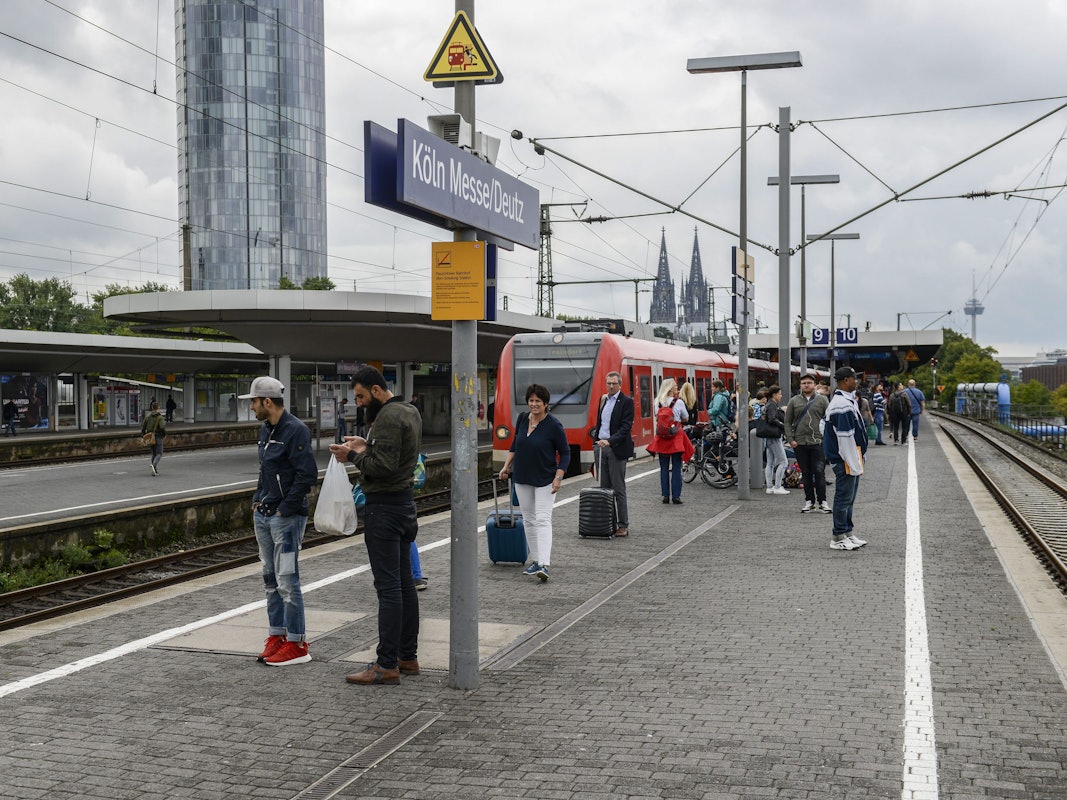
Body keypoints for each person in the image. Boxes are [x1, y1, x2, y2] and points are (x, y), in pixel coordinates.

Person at [330, 366, 422, 685]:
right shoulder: (409, 411)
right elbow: (393, 456)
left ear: (378, 391)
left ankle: (385, 665)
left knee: (388, 589)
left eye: (361, 396)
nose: (358, 402)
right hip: (405, 505)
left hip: (384, 509)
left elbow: (382, 467)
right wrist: (364, 445)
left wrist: (350, 456)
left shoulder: (386, 417)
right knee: (405, 584)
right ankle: (407, 657)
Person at [242, 376, 318, 665]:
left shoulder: (295, 431)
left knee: (287, 580)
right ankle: (278, 635)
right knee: (270, 579)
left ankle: (297, 644)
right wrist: (257, 499)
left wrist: (285, 508)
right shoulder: (266, 429)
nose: (252, 407)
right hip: (264, 513)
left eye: (254, 402)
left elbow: (306, 475)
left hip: (285, 517)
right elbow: (265, 470)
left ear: (267, 402)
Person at [497, 383, 570, 582]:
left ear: (546, 404)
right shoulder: (522, 419)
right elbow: (514, 445)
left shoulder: (554, 425)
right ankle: (536, 561)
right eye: (531, 400)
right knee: (528, 519)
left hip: (545, 479)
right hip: (522, 477)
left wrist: (558, 477)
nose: (534, 404)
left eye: (538, 401)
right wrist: (506, 466)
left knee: (543, 519)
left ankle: (544, 564)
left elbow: (565, 453)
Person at [823, 367, 869, 550]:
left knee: (849, 498)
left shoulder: (845, 401)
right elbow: (845, 437)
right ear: (845, 381)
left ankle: (847, 532)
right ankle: (838, 536)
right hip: (846, 459)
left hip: (849, 457)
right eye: (853, 379)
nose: (856, 382)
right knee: (843, 498)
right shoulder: (841, 404)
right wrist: (853, 462)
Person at [590, 371, 635, 537]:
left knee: (618, 488)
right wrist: (596, 442)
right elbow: (600, 423)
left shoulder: (626, 402)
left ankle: (623, 525)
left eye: (614, 383)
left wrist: (610, 441)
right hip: (600, 447)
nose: (610, 386)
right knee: (604, 489)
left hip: (616, 448)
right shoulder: (603, 400)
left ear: (620, 384)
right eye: (608, 383)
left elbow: (625, 427)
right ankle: (607, 524)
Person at [785, 374, 831, 514]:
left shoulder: (823, 400)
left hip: (818, 441)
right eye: (804, 383)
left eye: (809, 383)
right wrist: (790, 439)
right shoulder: (794, 401)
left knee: (819, 472)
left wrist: (827, 439)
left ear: (814, 385)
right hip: (799, 442)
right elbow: (787, 421)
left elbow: (829, 419)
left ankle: (823, 501)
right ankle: (809, 501)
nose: (806, 385)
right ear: (800, 386)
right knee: (805, 473)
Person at [646, 378, 693, 505]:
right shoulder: (679, 402)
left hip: (662, 439)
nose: (677, 388)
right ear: (670, 388)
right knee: (677, 467)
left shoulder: (657, 402)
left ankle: (665, 495)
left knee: (664, 468)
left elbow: (657, 417)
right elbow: (686, 418)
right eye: (675, 386)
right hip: (676, 437)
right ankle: (676, 496)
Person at [757, 385, 789, 495]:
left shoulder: (768, 404)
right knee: (783, 462)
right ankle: (778, 486)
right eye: (780, 394)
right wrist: (783, 425)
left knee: (770, 463)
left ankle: (770, 487)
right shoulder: (772, 405)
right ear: (774, 394)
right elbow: (772, 419)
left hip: (768, 437)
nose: (781, 396)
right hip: (774, 437)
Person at [140, 400, 166, 476]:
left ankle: (154, 470)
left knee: (154, 453)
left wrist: (143, 436)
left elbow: (143, 427)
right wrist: (164, 435)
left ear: (152, 407)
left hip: (150, 437)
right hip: (158, 436)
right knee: (159, 453)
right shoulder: (160, 417)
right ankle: (153, 465)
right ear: (158, 408)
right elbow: (162, 427)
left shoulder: (147, 416)